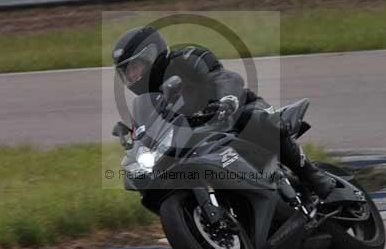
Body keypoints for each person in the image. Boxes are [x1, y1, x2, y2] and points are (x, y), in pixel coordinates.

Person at [112, 26, 335, 201]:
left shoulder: (187, 57)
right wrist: (134, 142)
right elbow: (149, 131)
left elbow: (225, 77)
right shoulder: (146, 102)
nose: (132, 76)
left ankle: (312, 175)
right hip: (198, 139)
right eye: (127, 72)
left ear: (151, 54)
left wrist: (226, 99)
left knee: (254, 119)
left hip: (234, 111)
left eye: (135, 67)